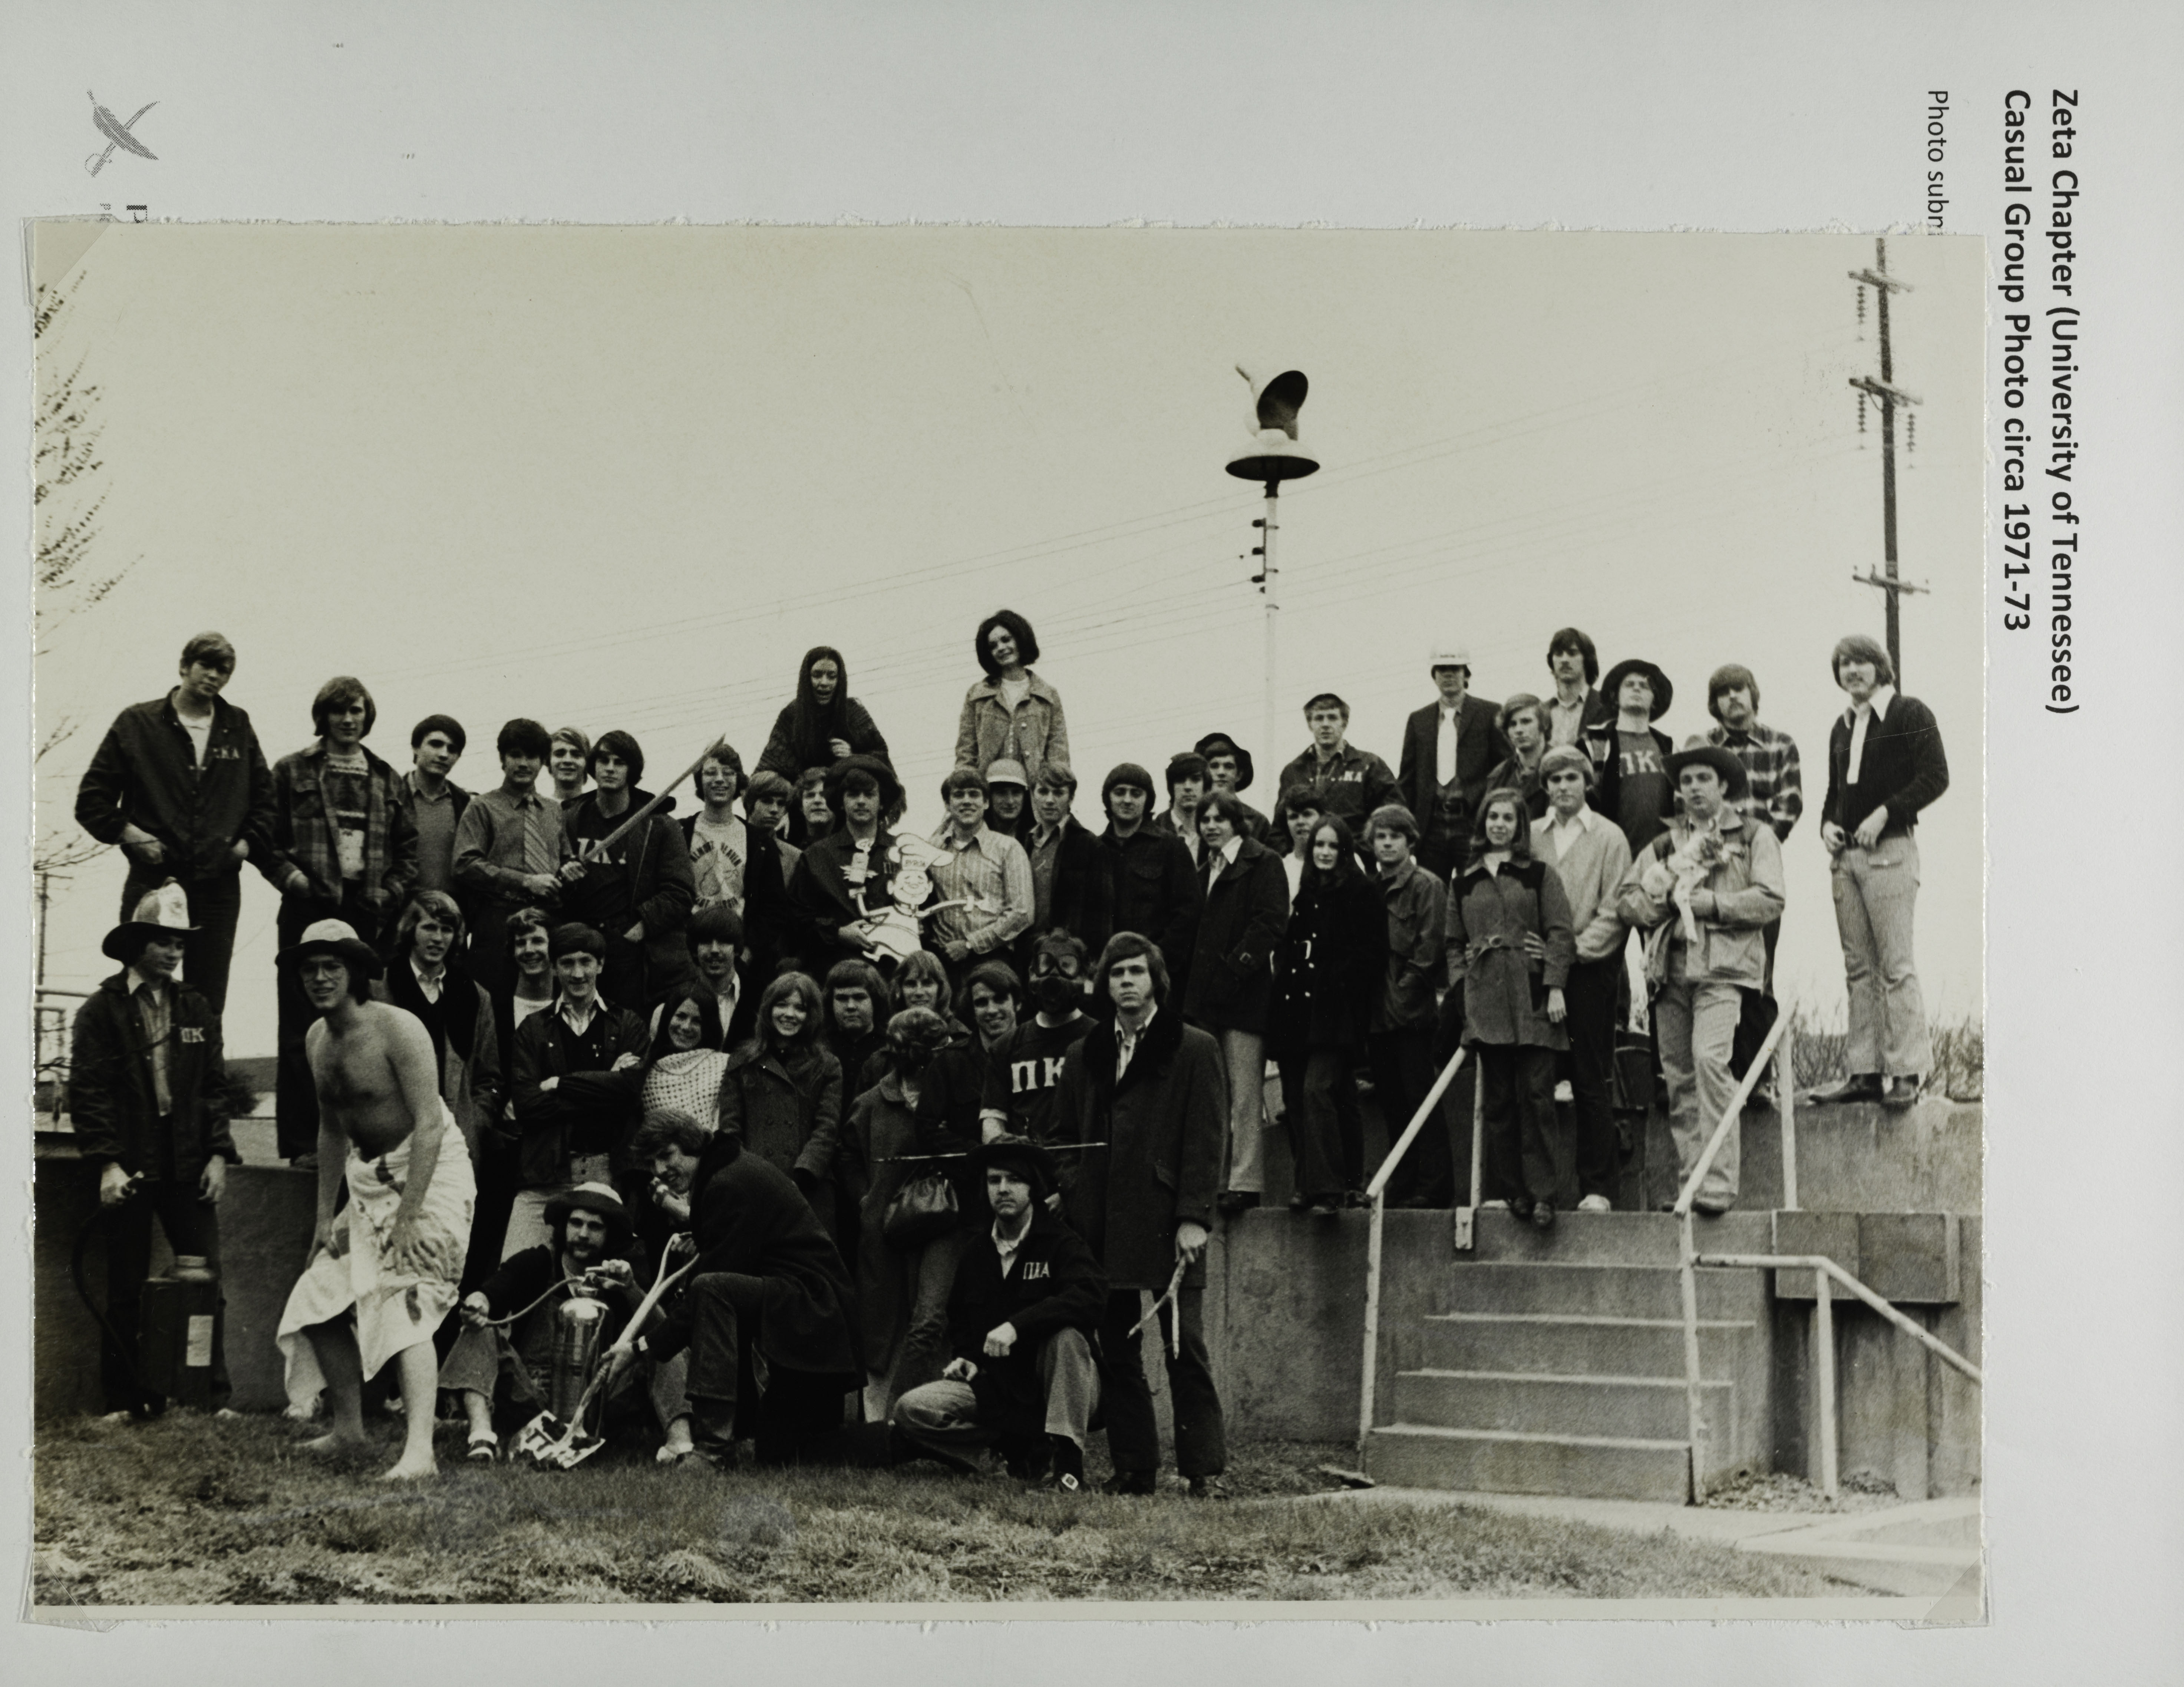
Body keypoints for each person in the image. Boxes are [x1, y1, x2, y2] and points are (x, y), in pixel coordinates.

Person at [274, 919, 476, 1481]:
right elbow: (331, 1131)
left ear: (355, 972)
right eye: (310, 969)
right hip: (367, 1181)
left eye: (331, 967)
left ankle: (420, 1452)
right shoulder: (318, 1040)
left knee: (408, 1303)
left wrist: (410, 1215)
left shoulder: (400, 1028)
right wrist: (321, 1216)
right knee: (317, 1300)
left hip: (431, 1175)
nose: (319, 978)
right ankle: (349, 1428)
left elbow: (431, 1124)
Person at [1052, 933, 1228, 1497]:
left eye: (1135, 972)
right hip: (1100, 1227)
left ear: (1155, 979)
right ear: (1103, 986)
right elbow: (1061, 1137)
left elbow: (1206, 1140)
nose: (1126, 982)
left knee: (1184, 1348)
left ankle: (1201, 1469)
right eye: (1115, 974)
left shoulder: (1195, 1047)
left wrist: (1194, 1216)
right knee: (1116, 1349)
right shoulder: (1086, 1053)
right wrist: (1074, 1192)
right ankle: (1134, 1469)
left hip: (1168, 1222)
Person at [70, 881, 239, 1417]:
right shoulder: (103, 1010)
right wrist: (108, 1163)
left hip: (189, 1164)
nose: (174, 951)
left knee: (205, 1280)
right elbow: (88, 1091)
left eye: (181, 943)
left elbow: (214, 1087)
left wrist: (217, 1154)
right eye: (164, 941)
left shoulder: (196, 1007)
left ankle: (209, 1395)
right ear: (138, 943)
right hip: (131, 1163)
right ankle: (124, 1400)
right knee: (127, 1285)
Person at [621, 1112, 862, 1469]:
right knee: (787, 1456)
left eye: (666, 1155)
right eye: (652, 1163)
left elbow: (714, 1284)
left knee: (710, 1288)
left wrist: (640, 1347)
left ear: (692, 1144)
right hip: (805, 1321)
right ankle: (899, 1439)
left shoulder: (727, 1183)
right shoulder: (725, 1171)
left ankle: (713, 1452)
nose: (659, 1171)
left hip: (815, 1315)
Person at [1615, 743, 1785, 1214]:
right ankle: (1691, 1181)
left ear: (1724, 785)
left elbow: (1771, 899)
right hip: (1668, 971)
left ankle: (1718, 1183)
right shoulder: (1664, 843)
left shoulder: (1754, 835)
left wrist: (1712, 905)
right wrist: (1665, 898)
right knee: (1679, 1077)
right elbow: (1628, 900)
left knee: (1710, 1061)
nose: (1693, 788)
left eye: (1702, 779)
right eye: (1685, 781)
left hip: (1725, 970)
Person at [890, 1135, 1107, 1493]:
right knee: (911, 1410)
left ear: (1033, 1187)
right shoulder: (976, 1253)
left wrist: (1016, 1327)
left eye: (1014, 1180)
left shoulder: (1060, 1242)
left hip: (1061, 1386)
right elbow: (959, 1319)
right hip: (1000, 1390)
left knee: (1067, 1338)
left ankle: (1069, 1470)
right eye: (994, 1181)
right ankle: (1009, 1454)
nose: (1003, 1189)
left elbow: (1092, 1296)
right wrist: (968, 1358)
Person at [73, 631, 273, 1016]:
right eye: (206, 666)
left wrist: (245, 846)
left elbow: (265, 801)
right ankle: (136, 1076)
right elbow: (92, 800)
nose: (214, 676)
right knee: (140, 995)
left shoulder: (237, 725)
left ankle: (201, 1078)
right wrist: (130, 835)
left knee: (206, 1002)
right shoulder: (138, 723)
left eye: (224, 670)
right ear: (184, 666)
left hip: (217, 888)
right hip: (153, 881)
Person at [263, 676, 420, 1163]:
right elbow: (264, 835)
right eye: (338, 711)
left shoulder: (386, 776)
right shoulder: (292, 769)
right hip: (308, 907)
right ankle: (301, 1145)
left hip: (364, 914)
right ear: (323, 716)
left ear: (366, 717)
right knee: (299, 1029)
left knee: (358, 1025)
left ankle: (361, 1142)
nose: (348, 720)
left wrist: (389, 891)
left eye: (356, 711)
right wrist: (292, 879)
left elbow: (409, 848)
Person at [439, 1183, 692, 1463]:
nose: (583, 1234)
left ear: (611, 1236)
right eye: (576, 1223)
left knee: (661, 1345)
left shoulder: (621, 1277)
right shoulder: (537, 1263)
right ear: (563, 1226)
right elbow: (488, 1293)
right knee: (479, 1327)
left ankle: (680, 1446)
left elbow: (666, 1332)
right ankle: (482, 1438)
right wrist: (478, 1305)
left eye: (595, 1227)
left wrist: (630, 1289)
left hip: (599, 1400)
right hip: (532, 1397)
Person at [1815, 635, 1949, 1109]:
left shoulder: (1909, 713)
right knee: (1859, 970)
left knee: (1895, 964)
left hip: (1890, 852)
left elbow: (1936, 777)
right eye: (1844, 663)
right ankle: (1865, 1072)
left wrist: (1885, 813)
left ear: (1880, 666)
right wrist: (1827, 825)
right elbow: (1835, 792)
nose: (1853, 670)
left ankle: (1906, 1072)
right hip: (1846, 860)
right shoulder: (1841, 725)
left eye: (1861, 661)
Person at [1448, 789, 1576, 1229]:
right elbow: (1451, 942)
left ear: (1520, 826)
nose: (1499, 824)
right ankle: (1512, 1190)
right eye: (1492, 816)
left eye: (1508, 817)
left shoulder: (1540, 874)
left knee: (1537, 1095)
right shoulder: (1463, 879)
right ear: (1482, 821)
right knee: (1499, 1101)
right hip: (1486, 1001)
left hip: (1533, 997)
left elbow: (1561, 933)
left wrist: (1555, 984)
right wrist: (1463, 984)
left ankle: (1544, 1194)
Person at [839, 1007, 962, 1417]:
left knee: (929, 1318)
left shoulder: (954, 1098)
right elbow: (847, 1154)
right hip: (884, 1227)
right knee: (880, 1325)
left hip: (942, 1219)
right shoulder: (873, 1101)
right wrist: (865, 1196)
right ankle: (878, 1419)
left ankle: (902, 1419)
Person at [507, 923, 649, 1257]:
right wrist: (604, 1086)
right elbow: (529, 1106)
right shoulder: (533, 1029)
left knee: (596, 1289)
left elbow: (629, 1092)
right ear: (554, 968)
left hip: (606, 1174)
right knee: (517, 1274)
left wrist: (560, 1085)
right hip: (545, 1173)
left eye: (586, 962)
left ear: (601, 965)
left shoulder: (627, 1024)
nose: (578, 973)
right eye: (568, 963)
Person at [1533, 745, 1633, 1214]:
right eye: (1553, 780)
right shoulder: (1532, 835)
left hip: (1591, 970)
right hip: (1540, 971)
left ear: (1586, 781)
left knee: (1591, 1079)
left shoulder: (1610, 836)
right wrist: (1543, 959)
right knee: (1538, 1079)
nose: (1562, 788)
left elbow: (1615, 910)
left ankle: (1598, 1187)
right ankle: (1538, 1189)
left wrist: (1571, 952)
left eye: (1571, 778)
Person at [1269, 817, 1385, 1215]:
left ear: (1344, 849)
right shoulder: (1305, 893)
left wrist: (1337, 981)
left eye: (1332, 846)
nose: (1323, 852)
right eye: (1319, 844)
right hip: (1296, 1011)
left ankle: (1328, 1189)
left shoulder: (1359, 891)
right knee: (1303, 1097)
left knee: (1317, 1089)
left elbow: (1372, 954)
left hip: (1336, 1014)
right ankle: (1314, 1182)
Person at [1183, 792, 1290, 1216]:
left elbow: (1270, 922)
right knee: (1214, 1096)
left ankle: (1245, 1182)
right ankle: (1220, 1179)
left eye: (1219, 819)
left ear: (1236, 823)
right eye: (1204, 819)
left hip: (1244, 996)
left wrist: (1234, 969)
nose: (1210, 825)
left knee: (1246, 1093)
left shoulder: (1262, 861)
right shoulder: (1203, 867)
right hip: (1206, 999)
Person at [377, 893, 500, 1211]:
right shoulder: (381, 988)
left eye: (447, 930)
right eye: (429, 928)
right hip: (394, 1143)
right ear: (410, 931)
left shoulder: (474, 995)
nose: (438, 938)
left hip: (455, 1143)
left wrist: (475, 1120)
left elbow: (490, 1076)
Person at [562, 729, 696, 1012]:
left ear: (632, 770)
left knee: (624, 1031)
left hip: (629, 949)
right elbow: (554, 884)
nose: (610, 768)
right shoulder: (569, 819)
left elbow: (680, 892)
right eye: (604, 760)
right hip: (579, 945)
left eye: (619, 762)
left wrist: (641, 928)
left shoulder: (659, 825)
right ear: (593, 766)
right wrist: (566, 878)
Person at [1366, 804, 1451, 1209]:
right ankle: (1403, 1180)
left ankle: (1434, 1185)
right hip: (1376, 1016)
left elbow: (1430, 947)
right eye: (1380, 837)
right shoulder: (1370, 886)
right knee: (1393, 1103)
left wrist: (1403, 996)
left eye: (1394, 836)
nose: (1386, 844)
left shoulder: (1426, 884)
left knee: (1421, 1099)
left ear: (1410, 840)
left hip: (1411, 1014)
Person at [717, 971, 847, 1237]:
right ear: (768, 1009)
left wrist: (802, 1175)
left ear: (812, 1015)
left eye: (800, 1008)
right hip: (755, 1184)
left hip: (810, 1188)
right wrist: (745, 1176)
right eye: (782, 1005)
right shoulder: (743, 1061)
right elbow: (731, 1127)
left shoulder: (827, 1065)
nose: (790, 1014)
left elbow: (827, 1129)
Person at [453, 719, 574, 1002]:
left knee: (544, 1007)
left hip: (546, 925)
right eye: (515, 755)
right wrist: (526, 882)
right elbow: (464, 864)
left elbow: (566, 860)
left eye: (531, 756)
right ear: (502, 759)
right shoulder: (482, 807)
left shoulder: (555, 812)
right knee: (494, 1004)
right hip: (497, 923)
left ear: (543, 762)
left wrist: (569, 874)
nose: (523, 763)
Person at [1703, 664, 1803, 1001]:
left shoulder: (1780, 745)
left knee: (1761, 972)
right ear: (1715, 703)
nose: (1732, 697)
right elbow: (1687, 806)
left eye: (1739, 689)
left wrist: (1759, 849)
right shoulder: (1704, 747)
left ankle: (1760, 1054)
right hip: (1712, 870)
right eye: (1723, 692)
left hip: (1761, 870)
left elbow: (1790, 805)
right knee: (1716, 973)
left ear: (1753, 694)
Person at [784, 755, 923, 981]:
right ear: (841, 801)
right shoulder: (817, 856)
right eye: (853, 794)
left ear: (882, 802)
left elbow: (924, 908)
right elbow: (796, 917)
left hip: (895, 974)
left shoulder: (905, 852)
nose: (861, 801)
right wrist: (838, 933)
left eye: (869, 795)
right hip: (835, 973)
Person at [475, 907, 557, 1278]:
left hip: (549, 1144)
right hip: (504, 1141)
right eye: (521, 942)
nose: (529, 949)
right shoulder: (496, 1004)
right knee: (484, 1240)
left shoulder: (566, 1002)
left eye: (537, 939)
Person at [1398, 647, 1513, 881]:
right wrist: (1408, 830)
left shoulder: (1490, 713)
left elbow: (1505, 769)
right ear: (1434, 676)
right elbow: (1408, 779)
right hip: (1431, 828)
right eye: (1442, 670)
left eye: (1455, 669)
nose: (1448, 675)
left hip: (1472, 824)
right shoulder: (1418, 720)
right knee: (1432, 894)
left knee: (1475, 892)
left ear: (1466, 675)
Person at [1090, 762, 1200, 997]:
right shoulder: (1095, 849)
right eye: (1119, 792)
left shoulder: (1170, 847)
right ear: (1107, 799)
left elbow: (1188, 912)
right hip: (1107, 975)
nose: (1127, 800)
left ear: (1147, 800)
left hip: (1157, 975)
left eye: (1136, 793)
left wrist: (1159, 962)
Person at [926, 767, 1034, 994]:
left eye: (974, 795)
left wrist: (970, 944)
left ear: (986, 803)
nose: (967, 801)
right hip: (942, 960)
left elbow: (1022, 913)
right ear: (947, 804)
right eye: (958, 795)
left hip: (991, 958)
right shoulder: (931, 849)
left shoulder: (1008, 849)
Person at [988, 932, 1099, 1143]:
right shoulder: (1005, 1047)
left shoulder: (1103, 1040)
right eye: (1045, 964)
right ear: (1032, 973)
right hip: (1026, 1168)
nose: (1054, 975)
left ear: (1084, 976)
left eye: (1066, 966)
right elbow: (993, 1121)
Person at [956, 609, 1071, 784]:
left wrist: (1054, 791)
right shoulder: (977, 696)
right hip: (988, 793)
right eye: (993, 646)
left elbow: (1058, 753)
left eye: (1006, 640)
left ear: (1021, 639)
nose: (1001, 648)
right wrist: (968, 789)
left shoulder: (1048, 696)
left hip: (1033, 795)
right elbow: (966, 752)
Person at [1276, 691, 1401, 846]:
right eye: (1319, 718)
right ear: (1310, 724)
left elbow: (1394, 818)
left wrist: (1364, 854)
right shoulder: (1293, 771)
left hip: (1355, 859)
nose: (1326, 724)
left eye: (1333, 718)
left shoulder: (1370, 766)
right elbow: (1279, 828)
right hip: (1305, 861)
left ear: (1345, 723)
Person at [756, 645, 892, 786]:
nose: (824, 683)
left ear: (840, 680)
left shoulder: (854, 713)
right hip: (803, 799)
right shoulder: (791, 715)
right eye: (817, 675)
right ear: (806, 678)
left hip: (845, 800)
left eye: (832, 676)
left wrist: (853, 757)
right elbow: (770, 768)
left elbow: (881, 758)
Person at [1586, 658, 1676, 855]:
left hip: (1661, 858)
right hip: (1610, 855)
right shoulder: (1594, 743)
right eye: (1629, 685)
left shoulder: (1669, 746)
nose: (1637, 689)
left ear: (1655, 699)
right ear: (1615, 697)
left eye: (1645, 686)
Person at [1023, 762, 1110, 958]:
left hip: (1068, 957)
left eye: (1058, 793)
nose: (1050, 800)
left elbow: (1102, 916)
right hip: (1027, 953)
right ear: (1033, 795)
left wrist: (1092, 962)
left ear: (1071, 798)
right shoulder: (1024, 843)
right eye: (1043, 792)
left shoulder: (1091, 846)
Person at [395, 715, 471, 901]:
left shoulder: (465, 804)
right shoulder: (391, 796)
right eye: (436, 744)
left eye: (452, 749)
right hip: (397, 910)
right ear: (416, 747)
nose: (444, 754)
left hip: (447, 917)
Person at [664, 903, 756, 1052]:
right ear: (695, 950)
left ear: (737, 949)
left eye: (723, 942)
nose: (714, 950)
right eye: (706, 942)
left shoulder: (759, 996)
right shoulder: (678, 997)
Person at [640, 989, 732, 1129]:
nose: (686, 1027)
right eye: (681, 1017)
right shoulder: (647, 1072)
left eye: (697, 1021)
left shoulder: (724, 1065)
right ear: (668, 1017)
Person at [822, 957, 892, 1095]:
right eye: (842, 999)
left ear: (875, 1000)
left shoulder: (889, 1047)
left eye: (859, 998)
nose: (851, 1007)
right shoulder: (822, 1046)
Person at [1543, 627, 1614, 751]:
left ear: (1587, 659)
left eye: (1572, 653)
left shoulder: (1608, 706)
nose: (1565, 660)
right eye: (1559, 654)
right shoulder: (1541, 711)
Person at [1194, 731, 1273, 844]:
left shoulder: (1258, 822)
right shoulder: (1193, 816)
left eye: (1229, 767)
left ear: (1239, 775)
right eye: (1214, 766)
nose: (1221, 773)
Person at [1482, 693, 1551, 821]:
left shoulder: (1562, 766)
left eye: (1526, 722)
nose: (1519, 730)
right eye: (1512, 724)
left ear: (1544, 724)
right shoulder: (1499, 774)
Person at [1153, 751, 1210, 868]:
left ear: (1205, 785)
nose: (1188, 787)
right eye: (1180, 780)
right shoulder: (1154, 832)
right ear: (1171, 787)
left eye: (1195, 779)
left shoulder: (1215, 831)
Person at [1275, 786, 1326, 893]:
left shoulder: (1345, 860)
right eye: (1294, 817)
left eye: (1307, 814)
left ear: (1322, 817)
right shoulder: (1280, 870)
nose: (1300, 822)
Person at [984, 756, 1033, 843]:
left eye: (1016, 793)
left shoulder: (1034, 838)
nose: (1010, 801)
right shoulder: (978, 834)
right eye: (1002, 793)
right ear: (989, 797)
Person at [547, 727, 591, 806]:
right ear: (549, 762)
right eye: (559, 754)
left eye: (576, 755)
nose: (568, 761)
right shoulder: (539, 811)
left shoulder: (597, 811)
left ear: (587, 763)